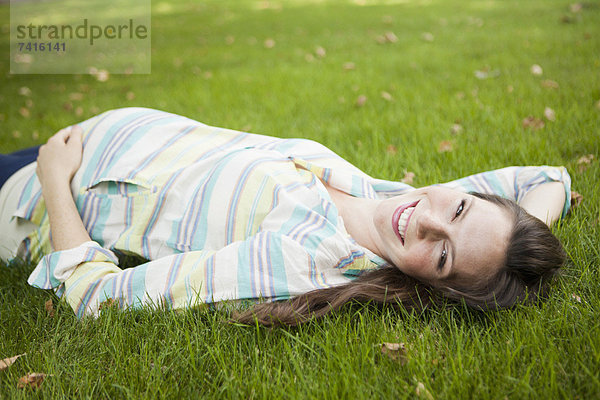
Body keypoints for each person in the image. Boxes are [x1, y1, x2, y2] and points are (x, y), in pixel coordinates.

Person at [0, 108, 570, 326]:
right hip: (88, 142)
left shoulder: (300, 258)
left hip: (35, 199)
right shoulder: (392, 198)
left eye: (443, 255)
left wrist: (54, 177)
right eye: (462, 206)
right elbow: (549, 179)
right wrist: (512, 246)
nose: (428, 222)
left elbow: (97, 298)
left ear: (431, 285)